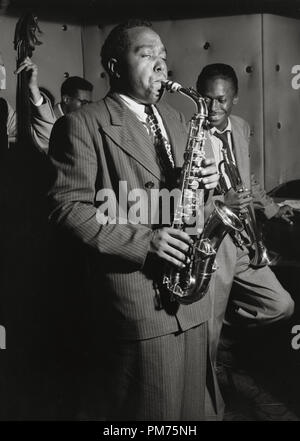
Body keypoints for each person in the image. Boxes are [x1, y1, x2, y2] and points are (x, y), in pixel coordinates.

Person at [48, 20, 223, 421]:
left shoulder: (180, 121)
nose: (161, 66)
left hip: (192, 298)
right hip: (140, 301)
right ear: (114, 66)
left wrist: (207, 184)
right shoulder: (81, 124)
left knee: (195, 413)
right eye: (147, 56)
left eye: (163, 57)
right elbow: (67, 209)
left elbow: (187, 203)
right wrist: (144, 242)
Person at [196, 63, 295, 369]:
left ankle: (224, 336)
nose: (213, 108)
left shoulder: (240, 126)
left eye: (221, 100)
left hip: (245, 240)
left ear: (234, 98)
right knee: (206, 344)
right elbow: (181, 199)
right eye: (206, 98)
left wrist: (272, 208)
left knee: (281, 305)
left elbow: (247, 180)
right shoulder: (189, 133)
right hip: (215, 244)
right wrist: (221, 203)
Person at [0, 54, 56, 153]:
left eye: (1, 66)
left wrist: (33, 87)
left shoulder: (3, 107)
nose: (2, 75)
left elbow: (44, 140)